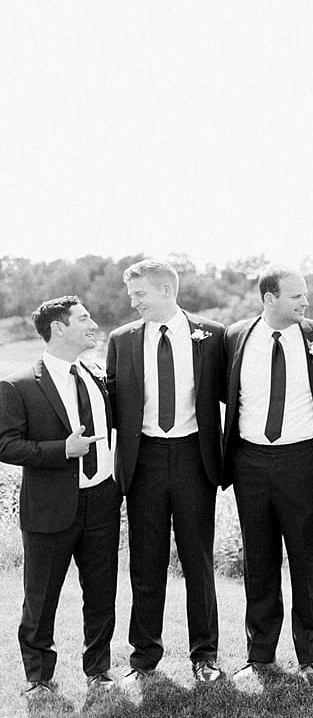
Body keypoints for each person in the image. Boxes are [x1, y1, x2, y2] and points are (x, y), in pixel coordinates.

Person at [221, 266, 313, 692]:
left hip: (304, 462)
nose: (305, 302)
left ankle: (309, 657)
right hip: (250, 462)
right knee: (259, 561)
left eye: (306, 295)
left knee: (307, 561)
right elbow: (227, 391)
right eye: (296, 296)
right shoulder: (235, 336)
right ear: (269, 298)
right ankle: (259, 654)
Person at [106, 259, 225, 686]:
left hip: (196, 458)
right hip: (145, 461)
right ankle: (143, 658)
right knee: (146, 562)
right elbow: (112, 405)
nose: (132, 303)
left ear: (166, 291)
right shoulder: (121, 340)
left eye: (140, 295)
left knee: (198, 561)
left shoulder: (212, 335)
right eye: (131, 295)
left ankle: (205, 656)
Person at [0, 297, 121, 700]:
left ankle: (99, 670)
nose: (93, 323)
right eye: (84, 318)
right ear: (58, 328)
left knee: (102, 591)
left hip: (102, 500)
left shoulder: (95, 374)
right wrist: (60, 451)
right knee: (41, 597)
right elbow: (5, 445)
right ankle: (38, 678)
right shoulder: (18, 385)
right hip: (50, 507)